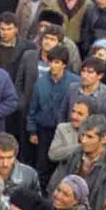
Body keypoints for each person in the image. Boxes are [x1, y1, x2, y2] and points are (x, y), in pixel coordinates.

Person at [47, 114, 106, 210]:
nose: (83, 141)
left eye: (89, 137)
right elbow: (53, 186)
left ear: (104, 139)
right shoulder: (74, 155)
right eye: (83, 135)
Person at [28, 46, 79, 182]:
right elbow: (33, 107)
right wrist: (32, 130)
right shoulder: (40, 82)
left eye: (56, 62)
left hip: (66, 131)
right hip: (44, 130)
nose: (52, 65)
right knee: (42, 165)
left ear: (64, 64)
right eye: (50, 62)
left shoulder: (75, 82)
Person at [60, 58, 106, 145]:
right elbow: (63, 113)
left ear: (100, 76)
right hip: (71, 141)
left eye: (90, 72)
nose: (84, 75)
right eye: (83, 71)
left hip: (98, 145)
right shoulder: (72, 88)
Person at [0, 132, 42, 196]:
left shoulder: (29, 175)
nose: (5, 163)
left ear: (15, 156)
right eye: (0, 158)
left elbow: (37, 203)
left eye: (9, 158)